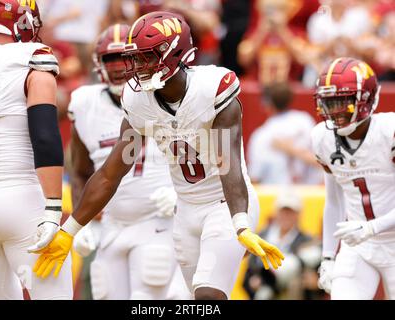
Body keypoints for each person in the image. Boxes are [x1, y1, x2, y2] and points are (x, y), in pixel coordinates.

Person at [32, 11, 284, 301]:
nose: (137, 66)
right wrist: (70, 230)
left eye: (146, 57)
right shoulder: (138, 101)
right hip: (186, 211)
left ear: (174, 55)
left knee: (208, 297)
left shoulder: (213, 88)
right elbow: (111, 172)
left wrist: (239, 223)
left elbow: (229, 166)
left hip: (224, 204)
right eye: (136, 57)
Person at [0, 0, 72, 299]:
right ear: (23, 22)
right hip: (18, 199)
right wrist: (53, 208)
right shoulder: (31, 57)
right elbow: (45, 135)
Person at [68, 23, 190, 300]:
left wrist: (180, 192)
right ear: (99, 64)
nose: (120, 67)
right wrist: (82, 223)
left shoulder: (165, 96)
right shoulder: (85, 104)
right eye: (112, 59)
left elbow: (207, 156)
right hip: (113, 225)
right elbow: (80, 172)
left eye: (125, 57)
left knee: (148, 297)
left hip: (159, 222)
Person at [312, 57, 395, 299]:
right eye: (329, 103)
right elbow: (334, 201)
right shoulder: (321, 138)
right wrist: (327, 256)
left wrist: (371, 227)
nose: (335, 112)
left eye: (343, 103)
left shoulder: (389, 132)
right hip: (358, 243)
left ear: (367, 99)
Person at [243, 189, 321, 300]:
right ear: (276, 212)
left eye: (291, 212)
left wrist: (315, 283)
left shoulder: (308, 242)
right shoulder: (261, 237)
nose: (286, 216)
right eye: (283, 211)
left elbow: (318, 280)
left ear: (298, 215)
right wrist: (253, 282)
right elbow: (248, 274)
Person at [247, 82, 321, 184]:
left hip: (283, 196)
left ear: (266, 104)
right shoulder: (305, 120)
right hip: (309, 195)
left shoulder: (261, 135)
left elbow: (255, 178)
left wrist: (291, 149)